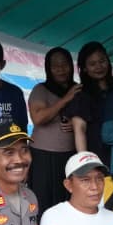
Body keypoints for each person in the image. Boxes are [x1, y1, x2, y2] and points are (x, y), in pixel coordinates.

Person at [28, 47, 79, 211]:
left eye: (64, 64)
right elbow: (38, 118)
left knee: (68, 204)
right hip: (43, 157)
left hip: (70, 156)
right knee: (43, 203)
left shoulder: (78, 89)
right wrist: (65, 99)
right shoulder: (40, 90)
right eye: (55, 66)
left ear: (71, 66)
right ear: (48, 69)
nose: (61, 69)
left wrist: (76, 123)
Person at [71, 41, 113, 166]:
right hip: (96, 154)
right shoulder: (82, 94)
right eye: (92, 64)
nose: (99, 67)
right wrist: (86, 163)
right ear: (84, 68)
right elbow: (79, 129)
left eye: (102, 61)